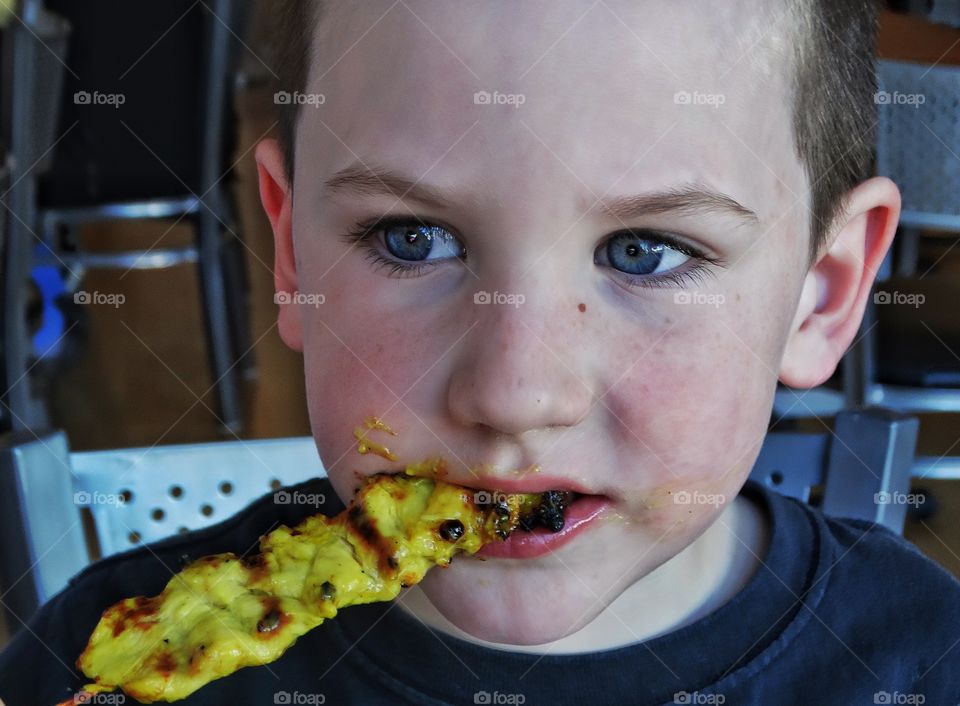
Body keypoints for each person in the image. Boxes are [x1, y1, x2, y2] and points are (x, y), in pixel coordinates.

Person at [2, 1, 958, 704]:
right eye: (412, 238)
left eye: (648, 253)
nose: (515, 393)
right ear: (291, 255)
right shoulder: (96, 654)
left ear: (820, 292)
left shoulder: (927, 666)